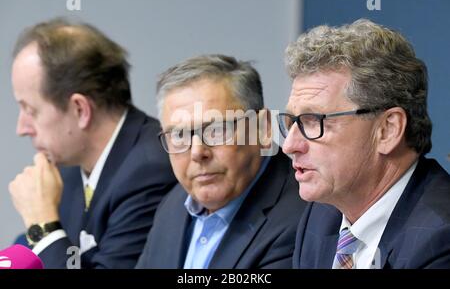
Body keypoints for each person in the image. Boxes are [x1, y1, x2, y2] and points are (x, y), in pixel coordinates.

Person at [278, 19, 450, 269]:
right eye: (292, 121)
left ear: (387, 130)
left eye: (313, 120)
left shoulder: (440, 240)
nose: (290, 145)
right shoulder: (321, 216)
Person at [8, 18, 177, 268]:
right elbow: (25, 251)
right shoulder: (69, 166)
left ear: (80, 109)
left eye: (30, 110)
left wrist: (41, 222)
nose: (20, 128)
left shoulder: (151, 171)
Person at [136, 54, 307, 268]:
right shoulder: (173, 204)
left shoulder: (303, 219)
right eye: (179, 135)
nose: (198, 152)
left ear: (262, 128)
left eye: (217, 130)